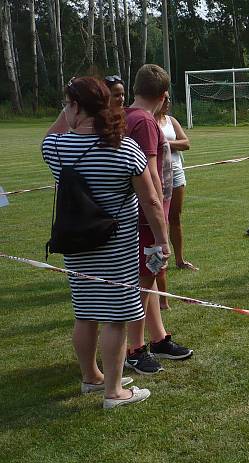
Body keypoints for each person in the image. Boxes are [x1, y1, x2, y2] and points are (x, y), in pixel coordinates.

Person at [42, 76, 169, 408]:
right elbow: (152, 202)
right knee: (116, 316)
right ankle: (113, 391)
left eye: (69, 103)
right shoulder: (125, 148)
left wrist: (72, 106)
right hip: (117, 246)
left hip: (77, 245)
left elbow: (52, 134)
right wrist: (162, 241)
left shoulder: (56, 147)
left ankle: (92, 378)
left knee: (85, 313)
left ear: (77, 108)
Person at [124, 64, 193, 374]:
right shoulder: (146, 123)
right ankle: (135, 349)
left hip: (143, 213)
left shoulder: (128, 116)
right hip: (148, 215)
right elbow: (150, 175)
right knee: (145, 279)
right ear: (164, 96)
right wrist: (161, 230)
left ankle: (158, 338)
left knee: (149, 279)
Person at [155, 93, 194, 309]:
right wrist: (169, 145)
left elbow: (186, 143)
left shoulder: (171, 121)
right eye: (165, 99)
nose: (168, 102)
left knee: (175, 217)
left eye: (170, 99)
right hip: (157, 175)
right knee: (159, 221)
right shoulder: (148, 120)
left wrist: (166, 144)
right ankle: (161, 264)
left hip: (176, 173)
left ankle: (179, 259)